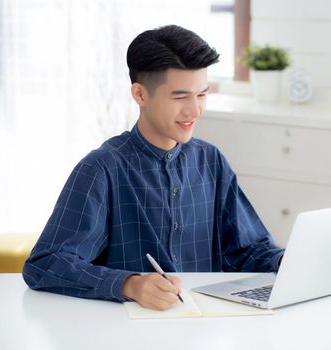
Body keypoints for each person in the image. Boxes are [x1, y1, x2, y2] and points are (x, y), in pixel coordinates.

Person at [22, 25, 284, 311]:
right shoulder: (102, 168)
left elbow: (247, 250)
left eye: (202, 95)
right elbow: (46, 264)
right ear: (140, 95)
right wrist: (129, 284)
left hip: (207, 328)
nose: (194, 110)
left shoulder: (211, 160)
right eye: (180, 97)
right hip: (129, 330)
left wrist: (286, 261)